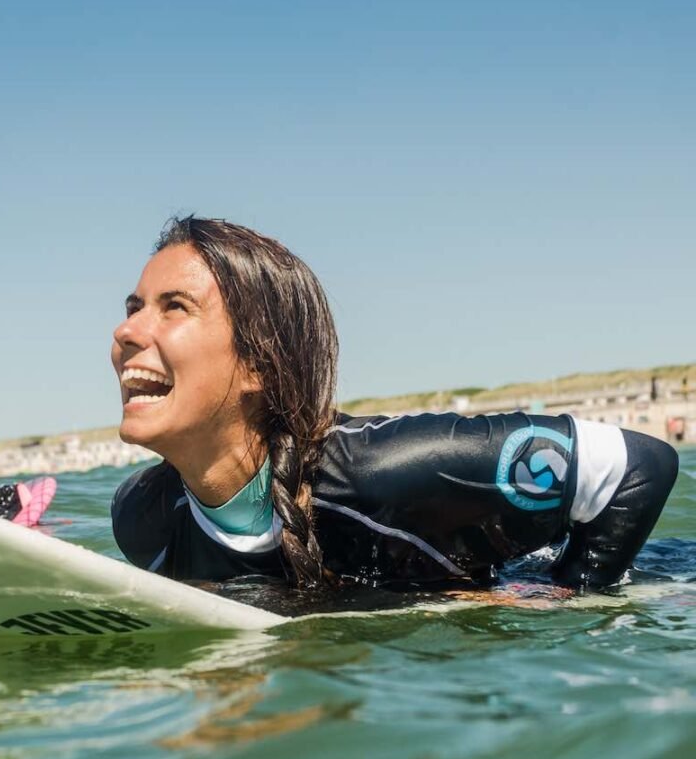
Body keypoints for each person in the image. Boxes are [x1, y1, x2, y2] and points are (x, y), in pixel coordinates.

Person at [110, 217, 679, 591]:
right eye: (134, 306)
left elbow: (640, 465)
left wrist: (565, 599)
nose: (128, 330)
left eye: (174, 307)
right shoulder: (141, 521)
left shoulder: (385, 472)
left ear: (260, 363)